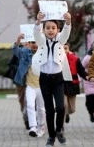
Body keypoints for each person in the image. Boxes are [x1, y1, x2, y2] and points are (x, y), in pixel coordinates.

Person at [32, 11, 72, 147]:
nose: (50, 30)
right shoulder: (41, 41)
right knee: (49, 110)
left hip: (58, 79)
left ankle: (59, 130)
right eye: (47, 28)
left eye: (53, 28)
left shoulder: (60, 40)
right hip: (44, 79)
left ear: (57, 30)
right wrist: (38, 22)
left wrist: (68, 22)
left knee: (61, 107)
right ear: (44, 30)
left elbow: (66, 32)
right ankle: (51, 137)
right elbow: (36, 34)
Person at [13, 34, 45, 137]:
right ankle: (33, 127)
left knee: (41, 108)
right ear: (29, 44)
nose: (34, 45)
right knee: (30, 105)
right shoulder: (25, 52)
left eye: (36, 42)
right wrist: (18, 39)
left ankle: (41, 126)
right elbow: (15, 50)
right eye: (32, 42)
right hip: (30, 86)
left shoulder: (45, 52)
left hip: (42, 86)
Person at [63, 43, 87, 125]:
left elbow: (81, 71)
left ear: (68, 49)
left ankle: (66, 114)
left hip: (73, 85)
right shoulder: (56, 59)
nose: (64, 50)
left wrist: (88, 77)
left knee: (72, 109)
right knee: (64, 105)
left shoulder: (75, 59)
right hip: (61, 85)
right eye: (62, 48)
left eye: (65, 48)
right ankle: (60, 126)